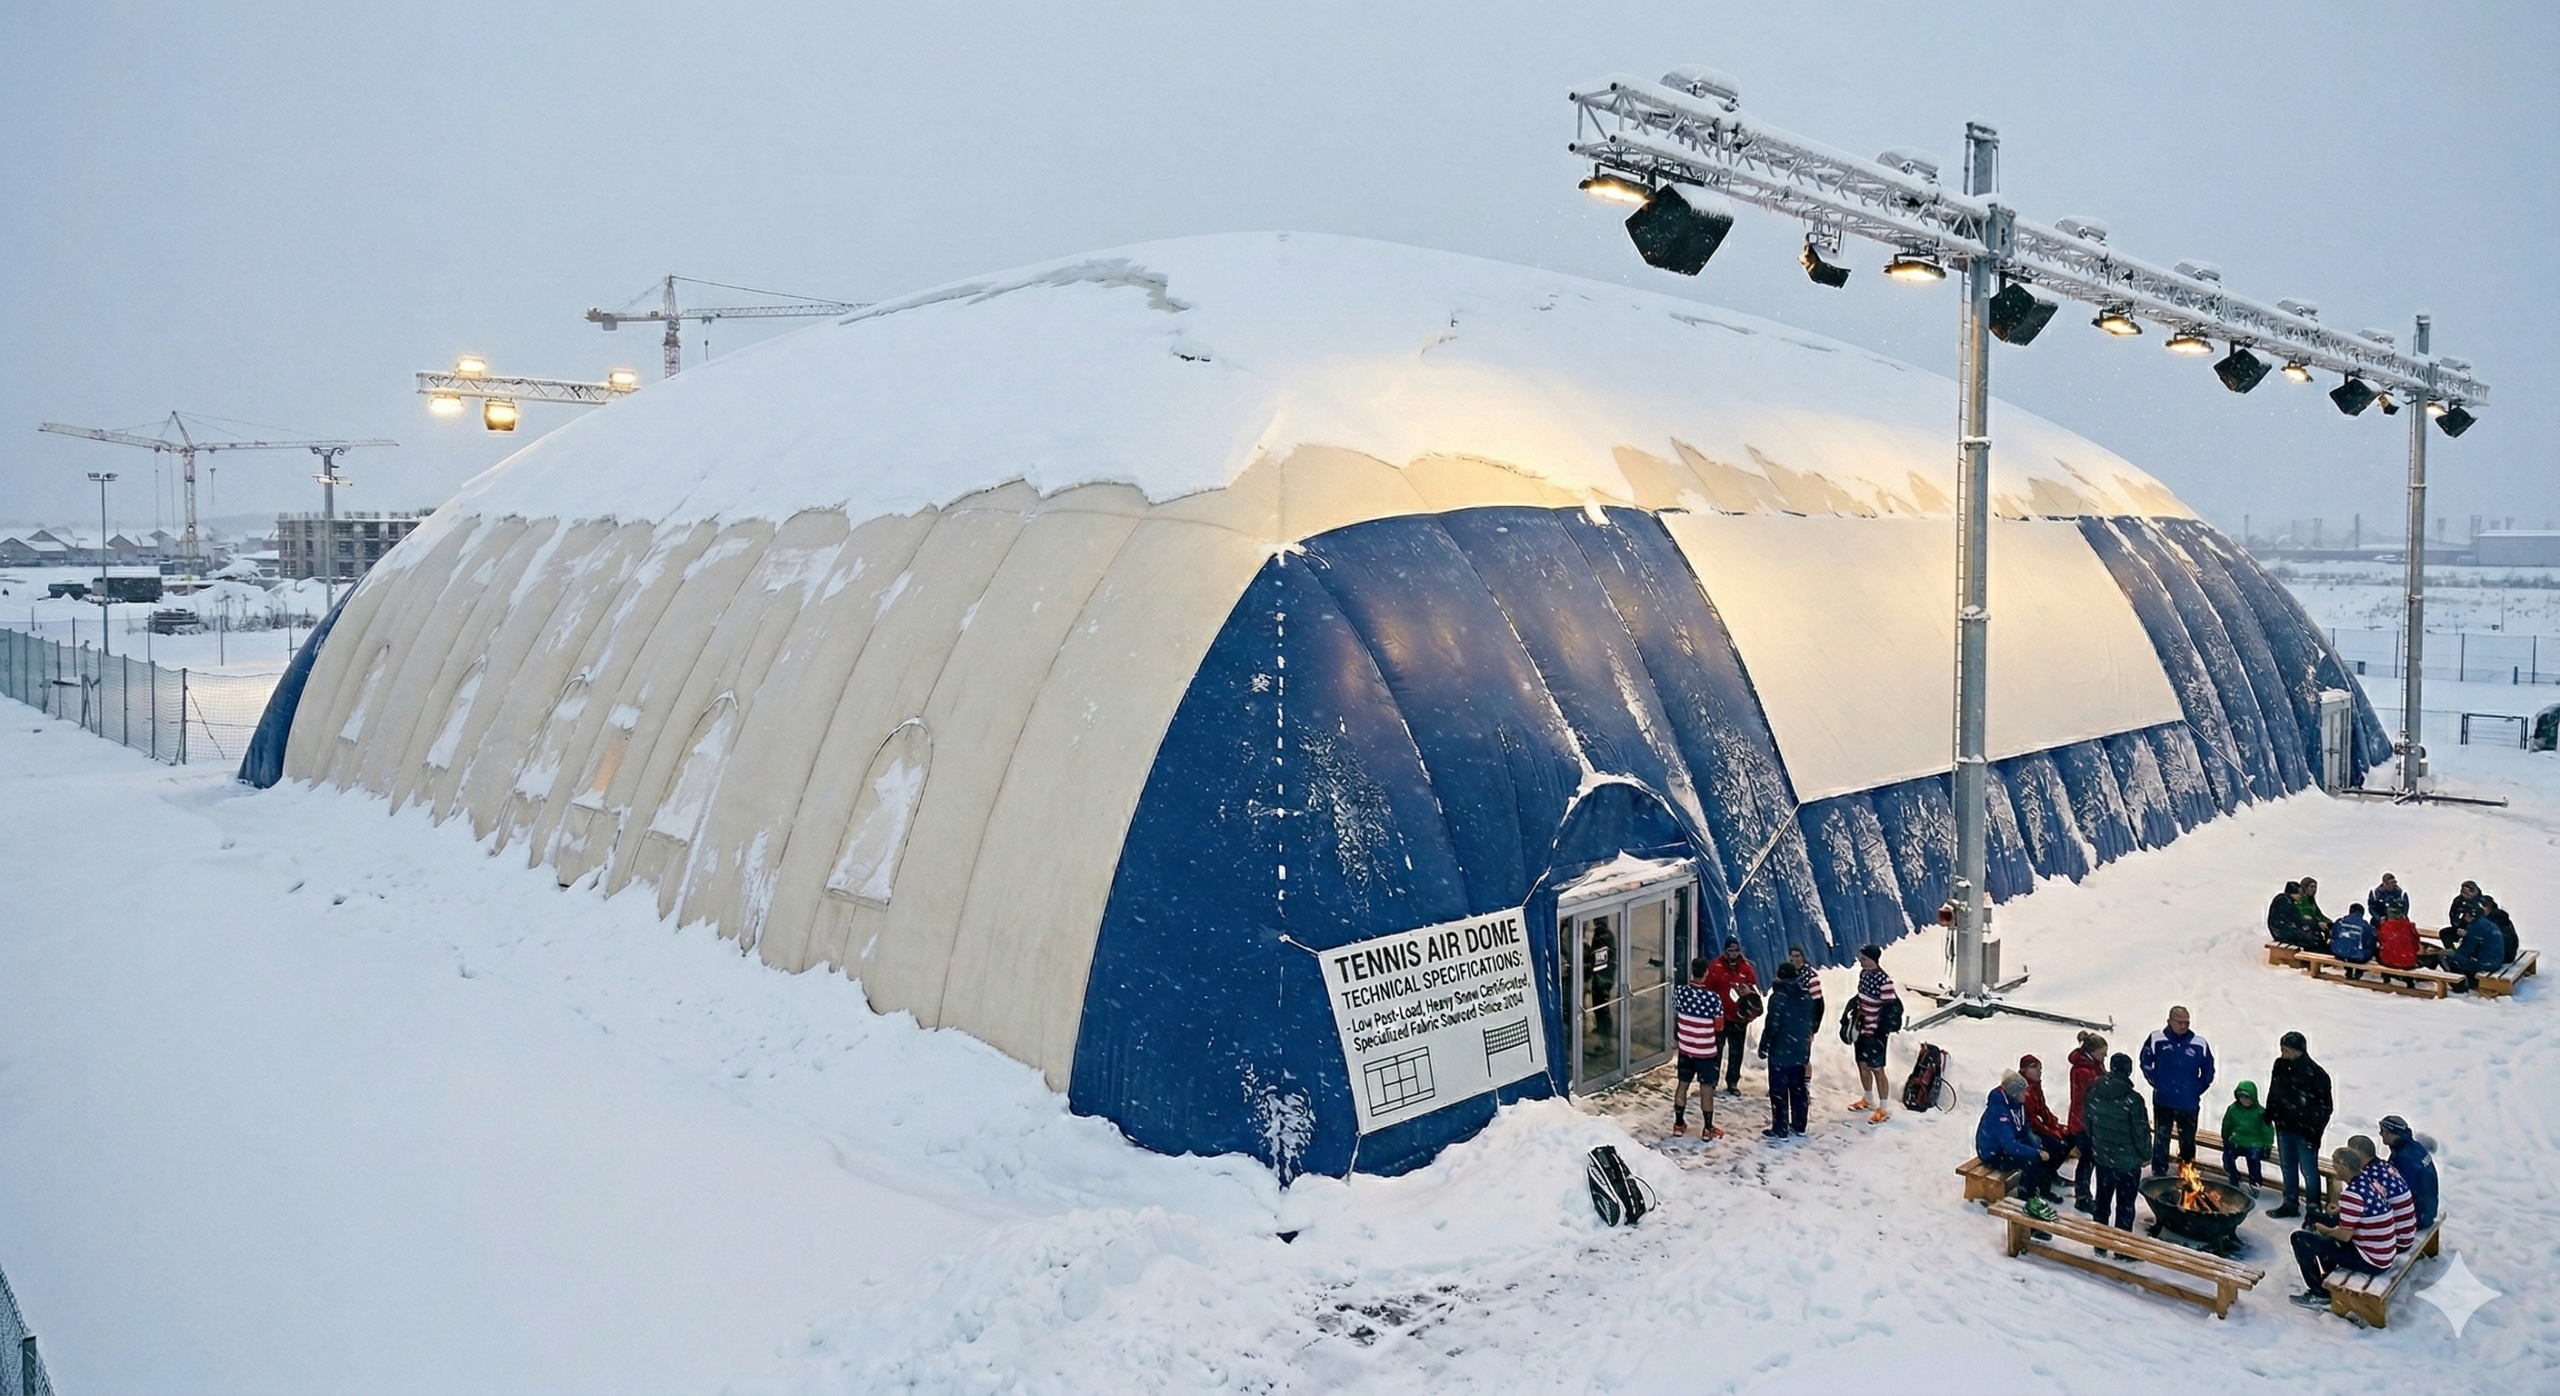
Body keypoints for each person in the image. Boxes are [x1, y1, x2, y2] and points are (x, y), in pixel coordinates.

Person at [2291, 1144, 2416, 1310]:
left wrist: (2323, 1229)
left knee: (2300, 1239)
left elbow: (2344, 1235)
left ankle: (2318, 1293)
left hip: (2372, 1261)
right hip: (2384, 1252)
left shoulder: (2352, 1195)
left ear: (2343, 1166)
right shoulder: (2369, 1181)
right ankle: (2328, 1271)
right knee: (2326, 1230)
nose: (2334, 1170)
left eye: (2335, 1166)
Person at [2082, 1053, 2151, 1255]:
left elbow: (2088, 1121)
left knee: (2102, 1202)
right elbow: (2141, 1131)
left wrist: (2097, 1143)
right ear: (2129, 1071)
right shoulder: (2133, 1100)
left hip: (2103, 1159)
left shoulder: (2094, 1091)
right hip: (2128, 1163)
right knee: (2125, 1206)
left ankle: (2100, 1245)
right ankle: (2121, 1249)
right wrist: (2146, 1154)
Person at [2264, 1031, 2333, 1219]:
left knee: (2309, 1172)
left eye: (2286, 1050)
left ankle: (2313, 1210)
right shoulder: (2280, 1065)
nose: (2283, 1053)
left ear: (2298, 1051)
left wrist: (2313, 1131)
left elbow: (2325, 1108)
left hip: (2306, 1133)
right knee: (2287, 1166)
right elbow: (2274, 1089)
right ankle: (2290, 1203)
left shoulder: (2317, 1075)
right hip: (2284, 1126)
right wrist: (2270, 1113)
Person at [2140, 1006, 2215, 1176]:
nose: (2184, 1026)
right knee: (2161, 1136)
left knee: (2188, 1140)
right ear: (2169, 1021)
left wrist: (2196, 1089)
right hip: (2163, 1100)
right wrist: (2155, 1081)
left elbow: (2208, 1071)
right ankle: (2159, 1170)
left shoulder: (2199, 1043)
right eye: (2180, 1022)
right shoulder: (2156, 1039)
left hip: (2188, 1103)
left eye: (2187, 1022)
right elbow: (2145, 1061)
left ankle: (2186, 1170)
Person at [1757, 960, 1816, 1139]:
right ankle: (1800, 1123)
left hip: (1781, 1052)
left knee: (1779, 1091)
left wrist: (1765, 1046)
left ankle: (1780, 1127)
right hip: (1799, 1051)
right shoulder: (1806, 997)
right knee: (1798, 1089)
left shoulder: (1779, 998)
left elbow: (1772, 1026)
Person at [1975, 1070, 2055, 1200]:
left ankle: (2043, 1191)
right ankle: (2025, 1198)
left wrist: (2036, 1144)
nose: (2027, 1093)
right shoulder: (1999, 1111)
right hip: (1993, 1153)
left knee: (2046, 1149)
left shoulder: (2017, 1103)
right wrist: (2035, 1152)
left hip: (2007, 1146)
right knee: (2031, 1161)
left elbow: (2025, 1127)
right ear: (2014, 1093)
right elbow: (2010, 1145)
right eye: (2023, 1091)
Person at [1670, 957, 1726, 1139]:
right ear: (1706, 973)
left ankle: (1678, 1124)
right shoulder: (1713, 999)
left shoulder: (1680, 992)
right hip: (1705, 1052)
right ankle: (1707, 1128)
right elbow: (1719, 1026)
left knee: (1682, 1085)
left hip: (1686, 1048)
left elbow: (1676, 1010)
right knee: (1706, 1089)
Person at [1848, 944, 1902, 1124]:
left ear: (1873, 960)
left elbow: (1890, 1008)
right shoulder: (1863, 975)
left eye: (1864, 958)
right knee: (1862, 1063)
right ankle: (1868, 1097)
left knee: (1877, 1068)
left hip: (1876, 1032)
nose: (1861, 961)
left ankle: (1884, 1107)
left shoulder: (1884, 981)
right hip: (1862, 1028)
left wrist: (1880, 1029)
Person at [1704, 938, 1760, 1096]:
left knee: (1736, 1053)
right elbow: (1708, 990)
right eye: (1730, 951)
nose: (1733, 954)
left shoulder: (1746, 968)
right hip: (1721, 1017)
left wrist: (1749, 993)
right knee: (1716, 1052)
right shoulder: (1716, 967)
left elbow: (1754, 991)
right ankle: (1712, 1081)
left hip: (1739, 1019)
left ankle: (1733, 1082)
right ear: (1725, 951)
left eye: (1736, 951)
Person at [2018, 1054, 2072, 1203]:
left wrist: (2055, 1124)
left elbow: (2043, 1110)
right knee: (2054, 1147)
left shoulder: (2036, 1086)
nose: (2039, 1071)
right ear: (2024, 1070)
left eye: (2040, 1068)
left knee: (2069, 1137)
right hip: (2028, 1134)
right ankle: (2043, 1184)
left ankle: (2048, 1174)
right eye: (2034, 1067)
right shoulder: (2024, 1089)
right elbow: (2031, 1120)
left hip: (2036, 1130)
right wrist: (2051, 1131)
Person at [2065, 1031, 2106, 1213]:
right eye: (2102, 1053)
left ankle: (2083, 1193)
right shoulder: (2083, 1071)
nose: (2104, 1057)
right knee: (2087, 1158)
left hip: (2087, 1120)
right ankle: (2082, 1195)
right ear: (2093, 1051)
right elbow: (2095, 1093)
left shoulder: (2093, 1064)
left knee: (2089, 1158)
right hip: (2082, 1122)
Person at [2379, 1116, 2438, 1230]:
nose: (2381, 1134)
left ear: (2391, 1133)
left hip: (2419, 1217)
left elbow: (2398, 1192)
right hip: (2429, 1209)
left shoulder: (2402, 1158)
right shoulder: (2415, 1147)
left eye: (2382, 1131)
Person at [2220, 1082, 2272, 1190]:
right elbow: (2227, 1124)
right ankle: (2234, 1176)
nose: (2245, 1100)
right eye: (2242, 1097)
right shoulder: (2233, 1109)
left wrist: (2267, 1146)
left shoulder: (2260, 1113)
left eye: (2248, 1097)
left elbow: (2267, 1130)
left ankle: (2255, 1183)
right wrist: (2226, 1137)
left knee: (2253, 1160)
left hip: (2255, 1142)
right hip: (2237, 1139)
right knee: (2227, 1157)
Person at [2267, 880, 2317, 951]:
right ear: (2293, 894)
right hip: (2281, 932)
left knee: (2307, 935)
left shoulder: (2285, 900)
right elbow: (2295, 918)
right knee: (2309, 938)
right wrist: (2308, 923)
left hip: (2280, 929)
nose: (2300, 896)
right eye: (2299, 894)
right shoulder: (2286, 902)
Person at [2292, 877, 2334, 944]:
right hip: (2307, 926)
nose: (2314, 889)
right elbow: (2302, 915)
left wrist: (2329, 922)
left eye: (2315, 887)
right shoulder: (2301, 900)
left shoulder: (2311, 900)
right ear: (2305, 888)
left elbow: (2319, 914)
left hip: (2315, 923)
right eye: (2311, 887)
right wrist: (2318, 923)